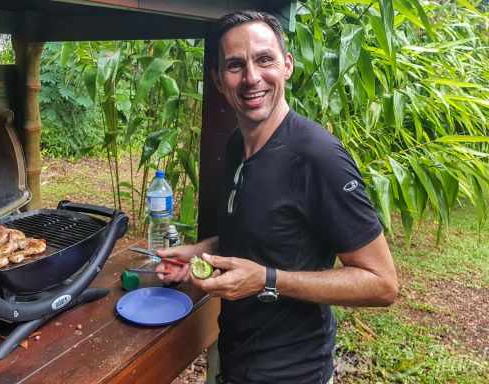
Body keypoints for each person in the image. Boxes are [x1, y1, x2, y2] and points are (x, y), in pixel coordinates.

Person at [156, 10, 398, 384]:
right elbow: (263, 235)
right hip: (238, 361)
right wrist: (201, 252)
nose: (252, 78)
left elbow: (382, 283)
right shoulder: (236, 145)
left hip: (293, 372)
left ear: (287, 65)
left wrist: (268, 280)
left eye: (264, 59)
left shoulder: (318, 157)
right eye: (235, 65)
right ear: (219, 80)